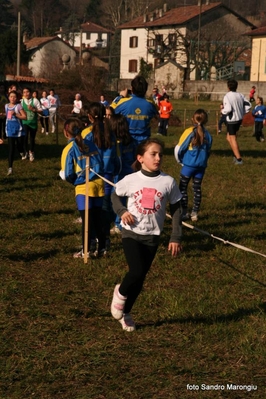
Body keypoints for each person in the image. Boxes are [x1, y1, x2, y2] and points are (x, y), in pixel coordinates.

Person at [110, 138, 183, 332]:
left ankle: (126, 313)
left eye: (160, 154)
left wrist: (175, 237)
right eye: (153, 154)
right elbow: (115, 194)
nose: (158, 158)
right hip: (131, 234)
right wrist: (121, 211)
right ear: (140, 158)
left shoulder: (168, 182)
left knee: (140, 277)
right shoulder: (131, 179)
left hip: (153, 237)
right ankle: (120, 294)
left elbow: (177, 209)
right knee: (135, 271)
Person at [59, 118, 106, 259]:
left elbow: (67, 173)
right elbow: (100, 164)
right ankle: (102, 248)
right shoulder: (91, 144)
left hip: (83, 188)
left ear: (65, 132)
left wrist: (76, 181)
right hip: (98, 185)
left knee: (86, 221)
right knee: (97, 218)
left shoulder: (69, 149)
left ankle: (86, 251)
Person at [86, 102, 119, 251]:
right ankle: (105, 241)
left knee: (91, 210)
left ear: (90, 117)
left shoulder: (87, 134)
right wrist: (115, 170)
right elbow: (116, 157)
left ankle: (92, 241)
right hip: (108, 176)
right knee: (105, 209)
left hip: (92, 176)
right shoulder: (111, 133)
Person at [174, 109, 212, 222]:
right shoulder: (208, 134)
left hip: (188, 166)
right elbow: (209, 150)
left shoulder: (189, 131)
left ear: (192, 119)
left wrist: (180, 161)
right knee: (197, 189)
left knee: (182, 189)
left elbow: (179, 148)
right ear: (206, 121)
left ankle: (184, 212)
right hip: (201, 167)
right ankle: (195, 213)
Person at [108, 113, 136, 235]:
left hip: (119, 176)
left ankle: (119, 223)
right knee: (126, 199)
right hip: (132, 174)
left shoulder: (115, 143)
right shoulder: (133, 141)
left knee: (117, 199)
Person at [111, 75, 158, 145]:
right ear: (145, 90)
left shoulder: (122, 102)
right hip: (144, 140)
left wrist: (121, 96)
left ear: (132, 89)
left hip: (126, 139)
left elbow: (110, 109)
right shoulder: (151, 104)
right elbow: (156, 111)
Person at [222, 79, 251, 165]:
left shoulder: (227, 96)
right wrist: (243, 112)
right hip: (239, 119)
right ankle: (236, 154)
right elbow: (248, 105)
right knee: (228, 138)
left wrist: (222, 111)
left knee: (232, 138)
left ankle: (239, 159)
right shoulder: (240, 95)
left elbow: (228, 109)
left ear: (228, 87)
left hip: (232, 120)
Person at [5, 90, 27, 175]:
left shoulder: (18, 106)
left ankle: (22, 152)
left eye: (14, 97)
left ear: (17, 98)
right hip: (9, 129)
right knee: (11, 149)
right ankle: (10, 168)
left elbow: (25, 117)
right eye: (11, 96)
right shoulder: (6, 106)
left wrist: (16, 114)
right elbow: (7, 116)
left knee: (19, 145)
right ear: (8, 97)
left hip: (18, 130)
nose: (12, 98)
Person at [21, 87, 43, 162]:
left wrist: (34, 110)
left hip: (33, 123)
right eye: (24, 92)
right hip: (25, 122)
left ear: (30, 92)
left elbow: (41, 111)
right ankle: (25, 152)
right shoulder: (22, 101)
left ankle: (31, 152)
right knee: (25, 137)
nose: (26, 93)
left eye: (27, 92)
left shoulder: (35, 101)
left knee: (32, 138)